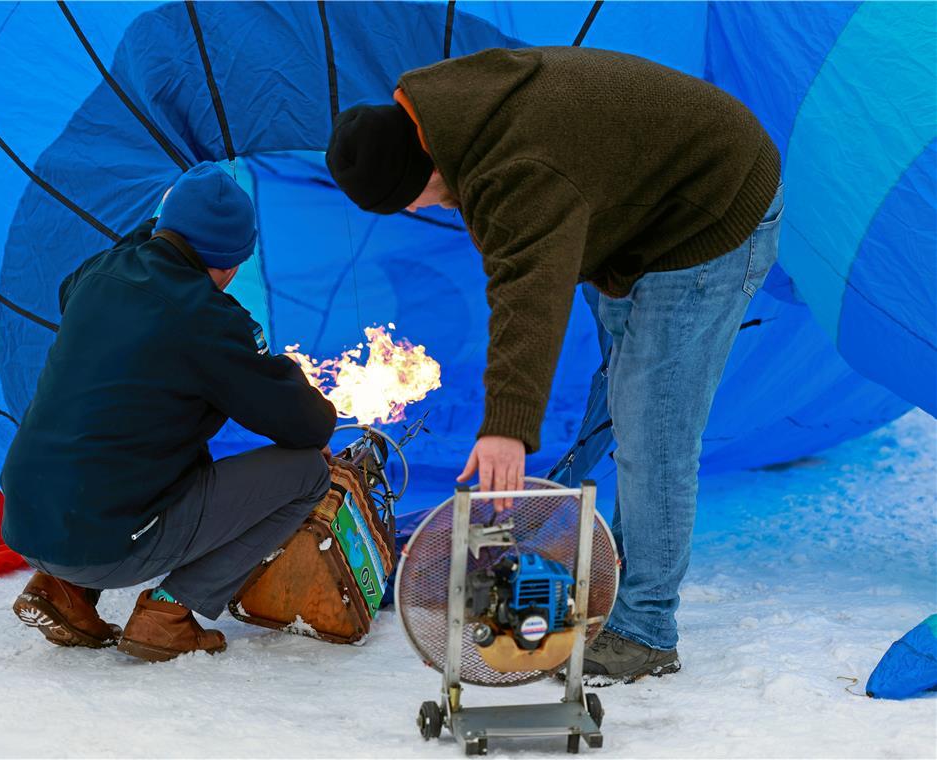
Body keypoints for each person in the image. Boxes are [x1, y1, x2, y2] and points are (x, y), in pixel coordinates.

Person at [325, 47, 783, 682]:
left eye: (423, 199)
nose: (432, 209)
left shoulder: (517, 171)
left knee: (654, 433)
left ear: (424, 161)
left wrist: (505, 427)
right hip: (635, 209)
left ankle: (646, 630)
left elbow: (527, 295)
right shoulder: (447, 105)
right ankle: (617, 572)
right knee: (627, 399)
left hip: (709, 205)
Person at [1, 162, 336, 662]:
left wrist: (162, 230)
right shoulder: (207, 319)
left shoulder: (96, 275)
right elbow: (305, 425)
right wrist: (280, 370)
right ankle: (169, 612)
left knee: (126, 435)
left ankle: (60, 588)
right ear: (232, 263)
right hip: (109, 545)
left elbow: (104, 269)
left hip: (25, 521)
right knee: (308, 473)